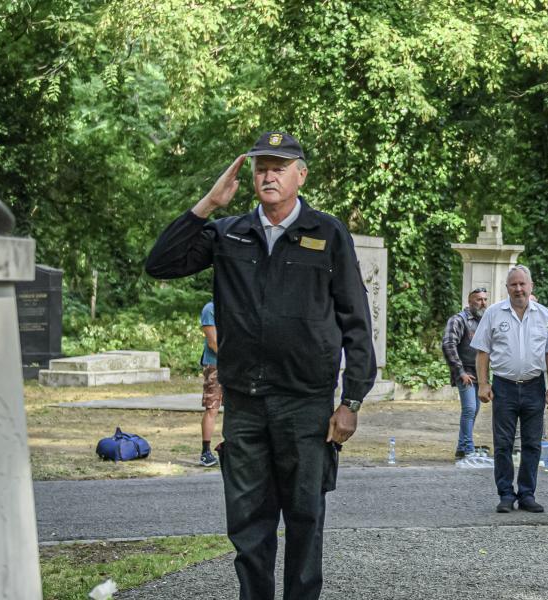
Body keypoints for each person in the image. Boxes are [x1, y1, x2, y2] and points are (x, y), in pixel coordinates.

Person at [144, 131, 376, 600]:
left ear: (300, 174)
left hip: (306, 404)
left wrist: (351, 399)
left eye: (279, 166)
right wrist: (208, 203)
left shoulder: (326, 233)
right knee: (248, 525)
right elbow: (160, 263)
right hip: (246, 404)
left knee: (306, 520)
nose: (268, 175)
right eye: (260, 167)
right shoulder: (229, 232)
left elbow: (356, 321)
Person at [471, 265, 548, 514]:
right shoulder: (494, 313)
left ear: (531, 286)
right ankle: (505, 494)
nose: (519, 289)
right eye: (514, 284)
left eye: (523, 284)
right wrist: (483, 383)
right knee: (502, 444)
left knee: (532, 444)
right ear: (507, 288)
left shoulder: (543, 315)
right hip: (503, 387)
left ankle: (527, 494)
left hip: (535, 386)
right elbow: (482, 351)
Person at [442, 288, 489, 458]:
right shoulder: (458, 320)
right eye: (478, 299)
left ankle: (462, 447)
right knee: (469, 408)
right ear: (469, 302)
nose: (482, 303)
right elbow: (448, 344)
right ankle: (468, 448)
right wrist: (460, 371)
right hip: (465, 371)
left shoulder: (485, 321)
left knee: (474, 409)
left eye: (485, 299)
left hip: (479, 372)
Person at [198, 300, 222, 467]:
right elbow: (213, 342)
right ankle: (205, 451)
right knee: (212, 408)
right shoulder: (210, 308)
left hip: (236, 364)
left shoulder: (236, 304)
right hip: (215, 364)